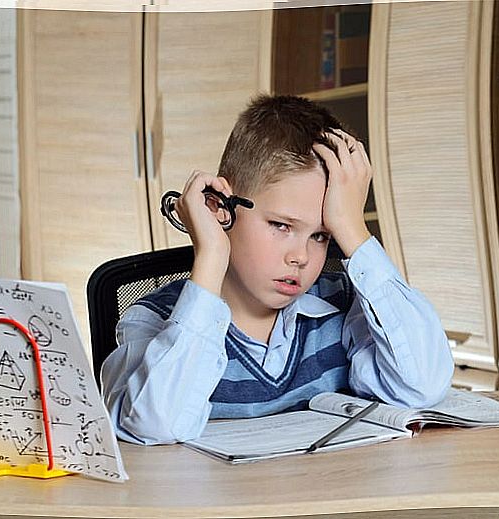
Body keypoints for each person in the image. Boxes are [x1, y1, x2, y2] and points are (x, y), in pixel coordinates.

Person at [101, 94, 453, 445]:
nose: (300, 256)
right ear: (219, 206)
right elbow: (156, 423)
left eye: (321, 235)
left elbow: (422, 386)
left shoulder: (343, 307)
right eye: (281, 226)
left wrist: (353, 230)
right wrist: (209, 256)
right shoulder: (154, 317)